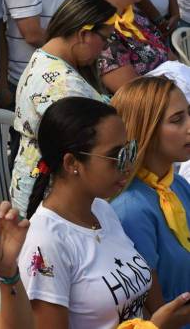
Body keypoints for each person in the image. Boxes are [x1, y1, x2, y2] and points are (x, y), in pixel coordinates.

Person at [17, 97, 159, 329]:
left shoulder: (101, 209)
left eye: (129, 150)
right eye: (117, 156)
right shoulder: (45, 242)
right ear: (72, 163)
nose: (128, 165)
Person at [9, 0, 115, 212]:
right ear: (84, 34)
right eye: (105, 39)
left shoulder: (44, 57)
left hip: (34, 186)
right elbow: (92, 149)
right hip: (52, 201)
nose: (105, 48)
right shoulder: (64, 85)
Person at [111, 76, 190, 313]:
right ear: (146, 131)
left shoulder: (177, 184)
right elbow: (158, 315)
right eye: (177, 120)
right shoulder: (131, 209)